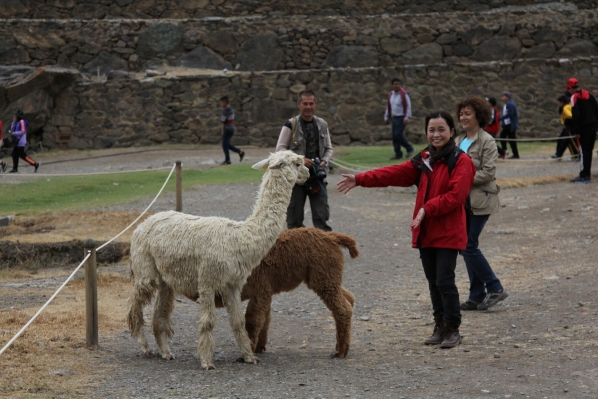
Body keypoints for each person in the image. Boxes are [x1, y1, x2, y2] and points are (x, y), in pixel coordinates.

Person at [337, 111, 475, 349]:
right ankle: (440, 325)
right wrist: (360, 179)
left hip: (448, 231)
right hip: (426, 231)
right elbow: (393, 173)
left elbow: (456, 196)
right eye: (431, 130)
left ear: (452, 132)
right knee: (433, 281)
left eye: (441, 129)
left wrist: (426, 209)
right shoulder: (423, 161)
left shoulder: (462, 161)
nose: (436, 134)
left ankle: (453, 328)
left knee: (445, 280)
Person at [455, 96, 509, 311]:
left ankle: (495, 287)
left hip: (481, 201)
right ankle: (476, 296)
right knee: (466, 246)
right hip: (462, 202)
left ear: (479, 115)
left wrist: (460, 181)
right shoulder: (458, 140)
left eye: (468, 113)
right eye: (461, 113)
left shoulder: (487, 141)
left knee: (468, 246)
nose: (463, 117)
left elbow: (488, 173)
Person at [276, 90, 333, 231]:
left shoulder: (322, 124)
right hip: (296, 178)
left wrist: (324, 161)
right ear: (299, 104)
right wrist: (300, 160)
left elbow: (329, 149)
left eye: (311, 103)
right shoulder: (291, 124)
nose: (308, 107)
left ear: (316, 104)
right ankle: (296, 252)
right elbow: (280, 149)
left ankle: (324, 251)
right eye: (305, 104)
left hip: (317, 177)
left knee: (322, 218)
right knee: (294, 220)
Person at [566, 78, 598, 184]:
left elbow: (576, 114)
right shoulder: (590, 95)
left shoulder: (574, 97)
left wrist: (576, 130)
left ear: (570, 87)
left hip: (583, 128)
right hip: (593, 126)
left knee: (584, 151)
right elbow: (596, 109)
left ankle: (584, 175)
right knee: (589, 151)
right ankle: (587, 173)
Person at [384, 78, 414, 160]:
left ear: (400, 85)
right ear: (392, 85)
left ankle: (409, 148)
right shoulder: (391, 95)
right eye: (395, 84)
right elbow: (388, 106)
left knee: (398, 134)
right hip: (394, 118)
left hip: (401, 117)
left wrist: (406, 117)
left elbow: (408, 106)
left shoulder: (404, 95)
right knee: (394, 136)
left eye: (398, 84)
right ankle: (398, 154)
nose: (397, 86)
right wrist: (386, 116)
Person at [551, 94, 580, 161]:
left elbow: (570, 115)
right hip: (568, 126)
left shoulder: (566, 107)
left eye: (560, 102)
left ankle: (576, 155)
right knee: (562, 140)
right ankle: (558, 154)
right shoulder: (569, 105)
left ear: (562, 102)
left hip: (570, 126)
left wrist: (567, 122)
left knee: (570, 141)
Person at [219, 96, 244, 165]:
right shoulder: (231, 109)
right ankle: (239, 152)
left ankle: (228, 160)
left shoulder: (226, 110)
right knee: (227, 144)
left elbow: (222, 120)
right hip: (231, 128)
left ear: (224, 102)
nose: (221, 104)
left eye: (221, 103)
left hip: (227, 129)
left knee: (225, 145)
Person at [499, 91, 520, 159]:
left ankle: (515, 154)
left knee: (511, 140)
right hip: (507, 124)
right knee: (503, 136)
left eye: (503, 96)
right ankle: (504, 152)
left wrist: (501, 118)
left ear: (507, 97)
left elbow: (510, 114)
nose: (502, 98)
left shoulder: (510, 104)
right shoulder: (507, 104)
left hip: (510, 125)